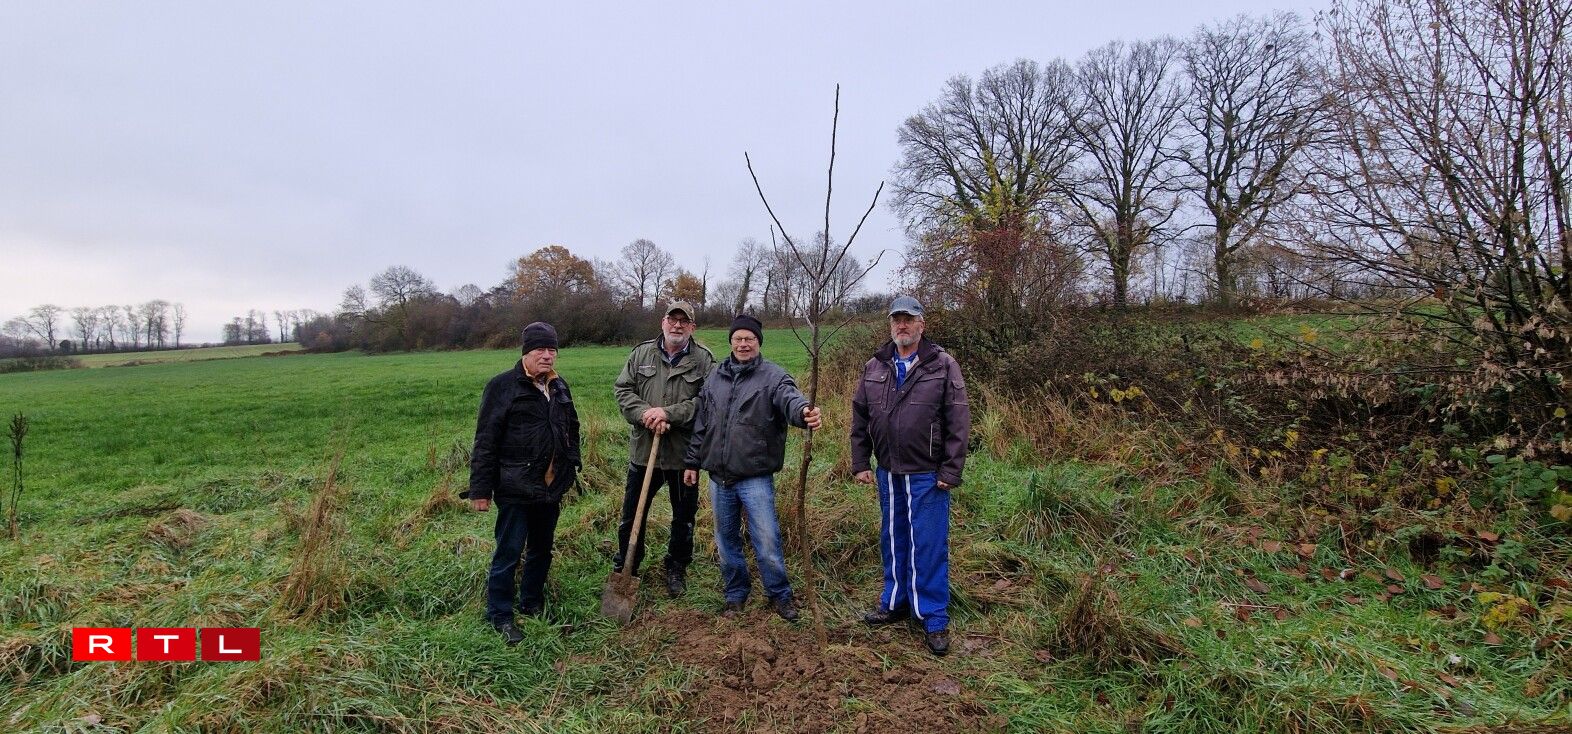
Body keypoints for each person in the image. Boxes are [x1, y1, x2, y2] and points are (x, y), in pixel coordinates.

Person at [849, 296, 970, 656]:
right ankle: (895, 601)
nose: (901, 325)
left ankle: (932, 616)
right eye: (896, 320)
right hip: (888, 471)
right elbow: (860, 418)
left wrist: (951, 469)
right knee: (893, 538)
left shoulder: (942, 365)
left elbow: (958, 420)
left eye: (908, 319)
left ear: (921, 324)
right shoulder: (875, 365)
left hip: (927, 473)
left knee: (928, 543)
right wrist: (860, 462)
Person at [683, 314, 821, 621]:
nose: (743, 344)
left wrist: (804, 412)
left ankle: (779, 594)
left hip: (754, 476)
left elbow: (791, 400)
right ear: (731, 342)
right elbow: (702, 423)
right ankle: (735, 593)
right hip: (719, 477)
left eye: (749, 339)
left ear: (758, 342)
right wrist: (692, 461)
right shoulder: (715, 377)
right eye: (738, 339)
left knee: (767, 540)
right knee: (726, 540)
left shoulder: (773, 376)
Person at [465, 321, 581, 646]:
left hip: (550, 488)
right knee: (509, 552)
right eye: (540, 349)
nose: (547, 356)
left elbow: (572, 427)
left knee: (542, 550)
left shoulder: (559, 386)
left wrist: (571, 465)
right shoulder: (502, 386)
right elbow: (485, 441)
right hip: (515, 487)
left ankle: (532, 603)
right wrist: (480, 490)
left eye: (552, 349)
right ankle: (500, 614)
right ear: (526, 352)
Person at [611, 301, 715, 597]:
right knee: (632, 515)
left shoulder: (704, 359)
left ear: (692, 327)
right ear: (663, 322)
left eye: (684, 321)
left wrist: (669, 414)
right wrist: (645, 414)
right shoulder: (641, 354)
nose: (677, 325)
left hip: (684, 455)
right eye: (673, 319)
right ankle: (627, 565)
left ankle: (676, 566)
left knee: (683, 516)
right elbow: (623, 390)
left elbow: (708, 401)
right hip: (644, 452)